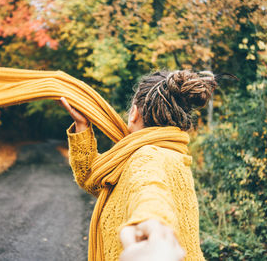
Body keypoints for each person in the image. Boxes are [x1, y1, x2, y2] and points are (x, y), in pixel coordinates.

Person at [59, 70, 217, 260]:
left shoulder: (146, 156)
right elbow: (92, 179)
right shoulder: (174, 155)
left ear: (134, 113)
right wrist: (82, 125)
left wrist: (151, 226)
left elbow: (150, 192)